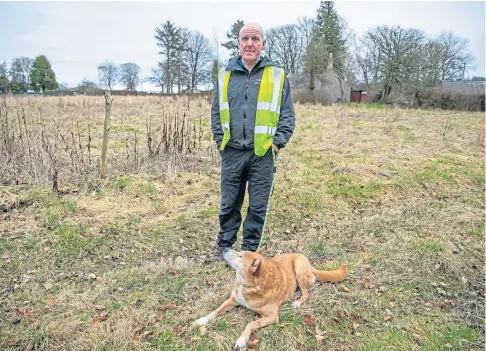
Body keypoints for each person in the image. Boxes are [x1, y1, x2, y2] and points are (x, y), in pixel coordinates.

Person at [208, 23, 296, 263]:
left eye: (255, 38)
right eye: (245, 38)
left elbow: (287, 115)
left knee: (257, 207)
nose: (249, 43)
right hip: (232, 152)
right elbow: (216, 112)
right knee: (229, 204)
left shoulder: (277, 76)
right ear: (238, 43)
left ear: (263, 44)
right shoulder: (224, 75)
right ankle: (224, 249)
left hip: (263, 154)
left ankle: (249, 253)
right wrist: (220, 142)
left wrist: (277, 144)